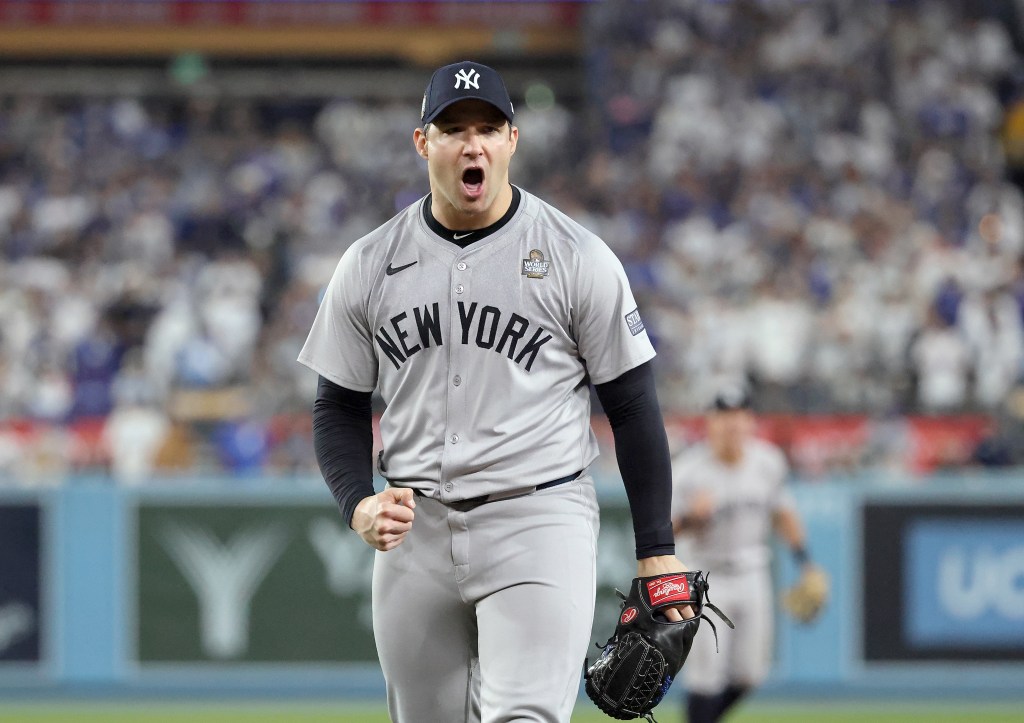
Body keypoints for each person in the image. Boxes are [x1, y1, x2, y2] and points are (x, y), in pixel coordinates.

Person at [298, 60, 692, 723]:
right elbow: (337, 402)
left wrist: (657, 545)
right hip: (413, 530)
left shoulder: (575, 256)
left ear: (512, 140)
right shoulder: (368, 263)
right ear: (423, 142)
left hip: (537, 517)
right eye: (453, 129)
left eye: (487, 128)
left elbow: (630, 403)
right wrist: (357, 503)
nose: (471, 143)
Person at [670, 386, 817, 723]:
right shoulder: (688, 469)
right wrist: (693, 517)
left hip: (752, 572)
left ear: (750, 422)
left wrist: (805, 563)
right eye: (724, 418)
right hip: (705, 577)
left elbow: (784, 514)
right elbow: (664, 532)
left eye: (738, 417)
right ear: (710, 423)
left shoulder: (767, 462)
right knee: (706, 677)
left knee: (751, 674)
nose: (732, 426)